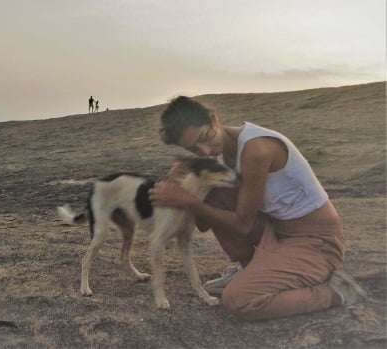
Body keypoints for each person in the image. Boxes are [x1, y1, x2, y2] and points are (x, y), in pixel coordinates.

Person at [148, 96, 368, 321]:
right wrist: (188, 176)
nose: (204, 150)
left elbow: (242, 225)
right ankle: (252, 270)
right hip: (276, 231)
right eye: (193, 148)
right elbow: (204, 223)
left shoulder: (257, 148)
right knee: (212, 188)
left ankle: (336, 292)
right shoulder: (219, 155)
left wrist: (185, 199)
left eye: (205, 137)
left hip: (315, 241)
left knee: (239, 300)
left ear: (214, 119)